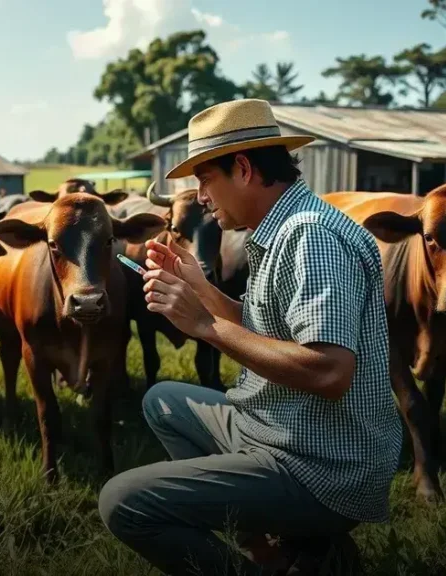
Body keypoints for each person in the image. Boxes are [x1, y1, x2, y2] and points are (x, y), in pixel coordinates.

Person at [98, 99, 403, 575]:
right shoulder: (282, 227)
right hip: (281, 427)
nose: (201, 197)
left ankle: (289, 546)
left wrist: (204, 326)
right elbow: (266, 327)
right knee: (162, 401)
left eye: (205, 180)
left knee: (123, 502)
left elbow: (329, 372)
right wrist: (202, 289)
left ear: (242, 169)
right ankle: (273, 551)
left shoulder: (310, 237)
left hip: (321, 466)